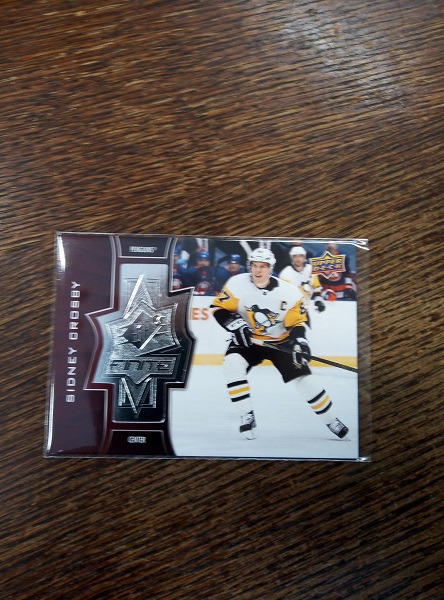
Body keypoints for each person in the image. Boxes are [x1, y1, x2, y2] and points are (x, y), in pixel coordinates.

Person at [211, 248, 349, 440]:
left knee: (306, 381)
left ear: (271, 269)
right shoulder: (237, 283)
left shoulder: (289, 292)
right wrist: (236, 325)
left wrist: (300, 341)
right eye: (254, 265)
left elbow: (297, 323)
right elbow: (219, 308)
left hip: (281, 342)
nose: (258, 270)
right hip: (248, 340)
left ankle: (331, 420)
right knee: (232, 366)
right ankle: (246, 416)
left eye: (263, 266)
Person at [279, 246, 326, 316]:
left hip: (305, 309)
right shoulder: (285, 273)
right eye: (295, 256)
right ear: (291, 258)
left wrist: (318, 302)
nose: (298, 259)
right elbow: (282, 294)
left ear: (304, 257)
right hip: (290, 309)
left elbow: (316, 289)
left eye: (300, 256)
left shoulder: (311, 270)